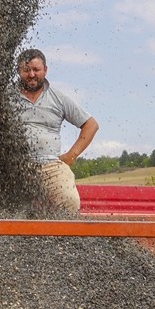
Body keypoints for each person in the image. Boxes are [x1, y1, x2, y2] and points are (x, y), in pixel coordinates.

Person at [14, 48, 99, 213]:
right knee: (0, 207)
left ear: (45, 70)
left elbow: (91, 125)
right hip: (14, 166)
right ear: (18, 71)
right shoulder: (5, 97)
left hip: (50, 165)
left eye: (36, 70)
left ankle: (62, 237)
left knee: (69, 202)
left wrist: (71, 156)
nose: (31, 74)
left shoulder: (58, 98)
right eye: (26, 70)